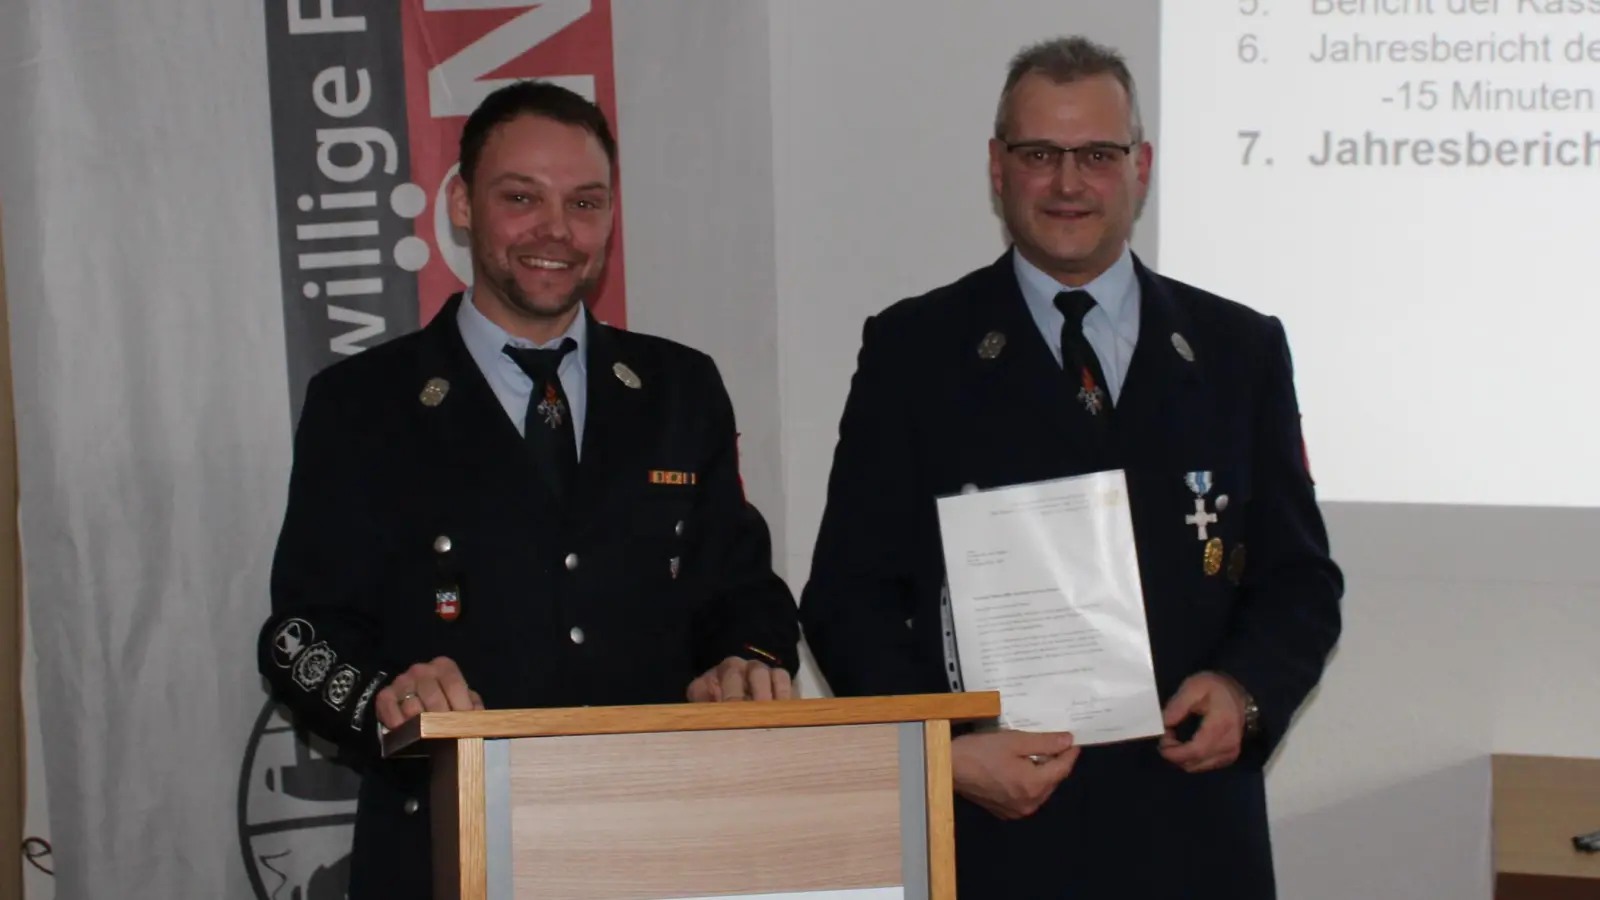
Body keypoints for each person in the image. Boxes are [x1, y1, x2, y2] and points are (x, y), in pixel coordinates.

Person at [798, 36, 1343, 900]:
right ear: (997, 167)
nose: (1067, 183)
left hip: (1193, 836)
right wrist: (945, 751)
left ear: (1140, 167)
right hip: (993, 838)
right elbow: (847, 596)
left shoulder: (1239, 349)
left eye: (1096, 155)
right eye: (1038, 154)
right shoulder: (914, 350)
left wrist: (1245, 693)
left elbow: (1300, 580)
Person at [256, 80, 800, 900]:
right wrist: (389, 700)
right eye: (521, 197)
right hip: (445, 847)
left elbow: (741, 587)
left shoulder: (679, 388)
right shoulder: (363, 404)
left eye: (585, 203)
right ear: (461, 204)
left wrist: (744, 662)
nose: (556, 230)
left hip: (659, 842)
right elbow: (302, 633)